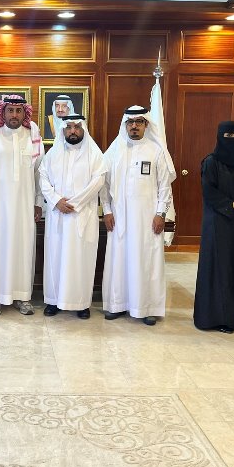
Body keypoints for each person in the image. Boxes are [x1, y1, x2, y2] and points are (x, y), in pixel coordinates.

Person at [100, 105, 172, 325]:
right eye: (130, 122)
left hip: (147, 220)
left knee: (146, 261)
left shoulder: (156, 151)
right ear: (125, 125)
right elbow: (103, 184)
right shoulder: (114, 151)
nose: (134, 126)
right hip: (119, 219)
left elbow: (165, 187)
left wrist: (161, 213)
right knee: (119, 260)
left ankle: (146, 307)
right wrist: (107, 211)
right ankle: (117, 305)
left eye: (139, 122)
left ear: (145, 125)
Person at [0, 94, 44, 316]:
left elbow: (40, 174)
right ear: (2, 112)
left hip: (25, 207)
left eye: (18, 111)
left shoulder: (33, 138)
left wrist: (38, 203)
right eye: (10, 110)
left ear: (24, 113)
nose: (14, 115)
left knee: (23, 249)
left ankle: (22, 296)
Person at [40, 114, 106, 319]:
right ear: (63, 130)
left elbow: (98, 181)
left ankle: (81, 303)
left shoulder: (94, 154)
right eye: (68, 127)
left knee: (81, 259)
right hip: (58, 216)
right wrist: (56, 200)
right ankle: (53, 301)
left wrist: (74, 203)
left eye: (77, 127)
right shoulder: (52, 154)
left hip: (82, 217)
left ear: (83, 129)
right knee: (55, 258)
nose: (73, 131)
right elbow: (43, 178)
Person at [193, 121, 234, 333]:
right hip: (216, 224)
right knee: (217, 268)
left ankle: (231, 318)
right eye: (228, 136)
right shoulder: (211, 162)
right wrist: (232, 205)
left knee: (233, 269)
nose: (232, 140)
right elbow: (209, 192)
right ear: (220, 137)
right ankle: (210, 318)